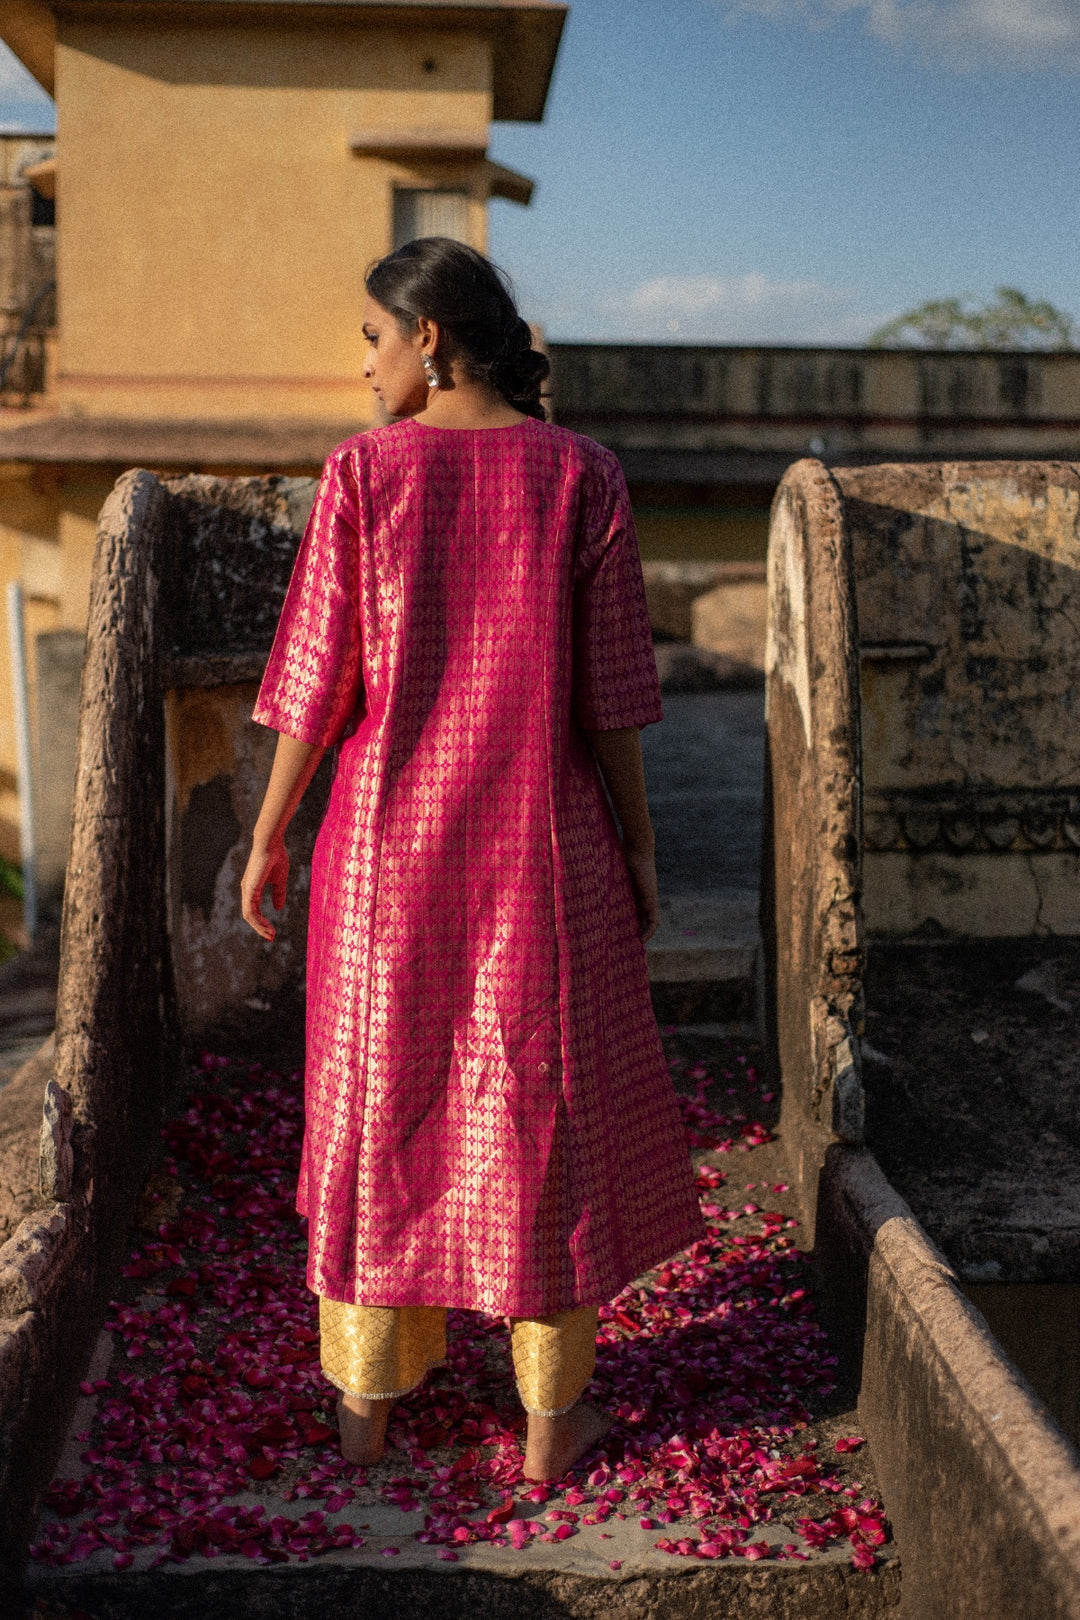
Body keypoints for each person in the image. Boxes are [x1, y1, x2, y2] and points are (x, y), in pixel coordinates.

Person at [241, 238, 703, 1483]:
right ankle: (552, 1426)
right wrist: (643, 848)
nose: (368, 366)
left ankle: (365, 1417)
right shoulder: (583, 478)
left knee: (378, 1112)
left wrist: (271, 828)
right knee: (542, 1116)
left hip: (383, 858)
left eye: (376, 340)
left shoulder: (361, 477)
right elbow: (610, 699)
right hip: (541, 859)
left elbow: (316, 685)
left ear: (431, 338)